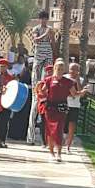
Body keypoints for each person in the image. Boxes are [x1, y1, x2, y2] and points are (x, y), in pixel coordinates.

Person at [38, 58, 87, 163]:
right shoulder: (49, 80)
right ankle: (51, 153)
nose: (59, 70)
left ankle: (59, 153)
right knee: (50, 131)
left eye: (61, 69)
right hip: (50, 109)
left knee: (59, 130)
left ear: (64, 69)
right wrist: (38, 90)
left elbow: (74, 94)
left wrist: (82, 92)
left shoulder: (68, 82)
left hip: (61, 108)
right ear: (55, 68)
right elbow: (43, 92)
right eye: (58, 68)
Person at [27, 11, 55, 144]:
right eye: (42, 18)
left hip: (47, 57)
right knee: (35, 101)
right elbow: (36, 40)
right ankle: (30, 137)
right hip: (38, 58)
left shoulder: (50, 29)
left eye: (45, 18)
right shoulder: (36, 29)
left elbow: (53, 44)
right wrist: (46, 34)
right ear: (40, 19)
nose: (44, 20)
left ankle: (47, 139)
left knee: (48, 76)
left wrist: (52, 36)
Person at [65, 62, 88, 153]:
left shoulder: (81, 80)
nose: (73, 71)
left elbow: (81, 92)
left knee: (72, 126)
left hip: (74, 106)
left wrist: (77, 81)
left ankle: (68, 146)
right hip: (64, 104)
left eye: (75, 69)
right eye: (71, 69)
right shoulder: (65, 78)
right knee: (61, 125)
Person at [0, 58, 14, 148]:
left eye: (4, 66)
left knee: (4, 123)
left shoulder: (10, 78)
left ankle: (2, 140)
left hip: (7, 103)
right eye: (1, 66)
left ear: (7, 67)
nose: (2, 68)